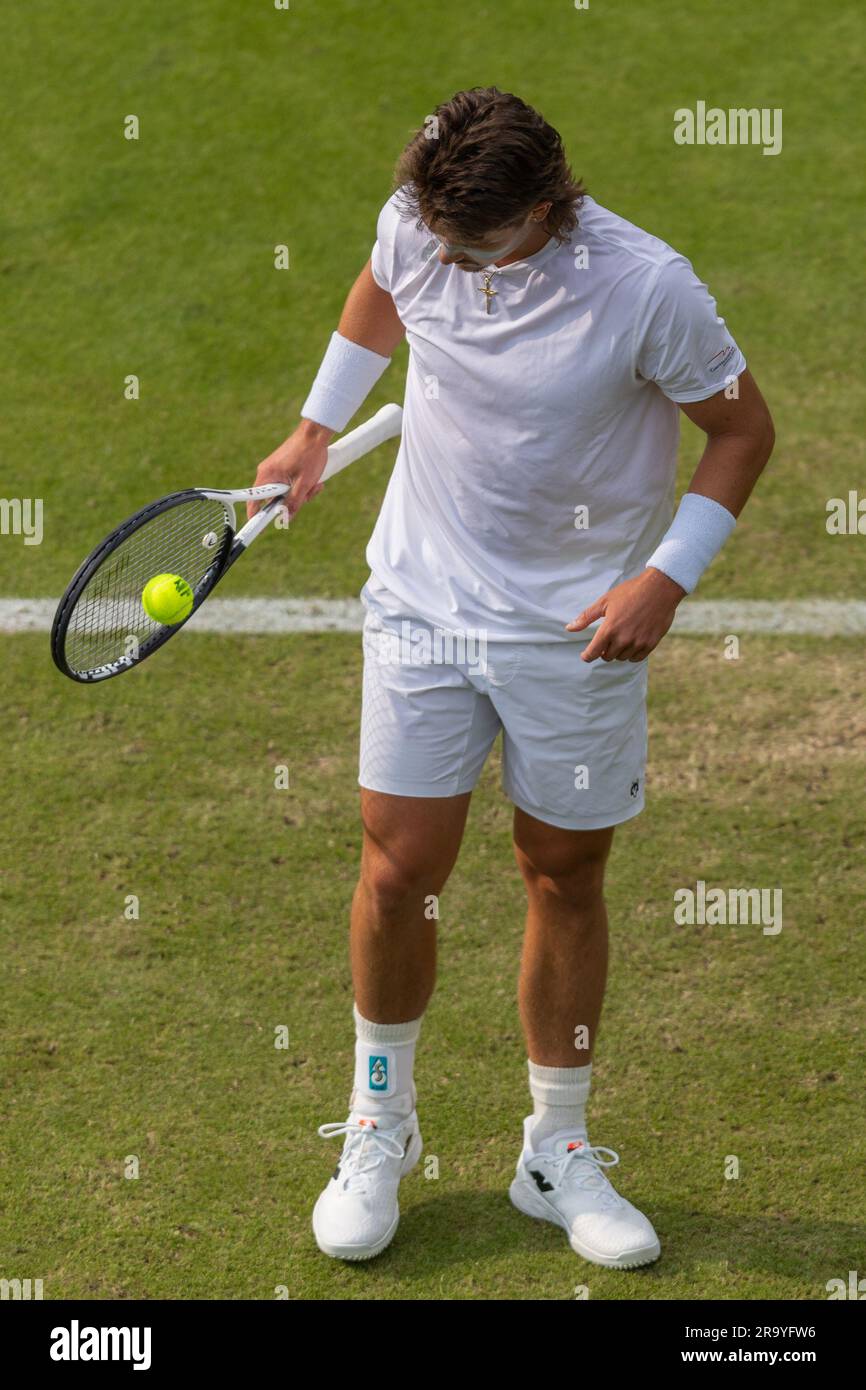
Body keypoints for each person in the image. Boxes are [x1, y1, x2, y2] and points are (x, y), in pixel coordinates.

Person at [249, 87, 774, 1268]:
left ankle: (556, 1149)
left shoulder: (646, 287)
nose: (442, 254)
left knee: (562, 872)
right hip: (421, 606)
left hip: (574, 631)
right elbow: (381, 290)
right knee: (397, 868)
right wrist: (315, 426)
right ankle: (380, 1124)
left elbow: (741, 431)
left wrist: (666, 578)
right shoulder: (419, 222)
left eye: (469, 241)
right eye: (433, 230)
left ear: (544, 207)